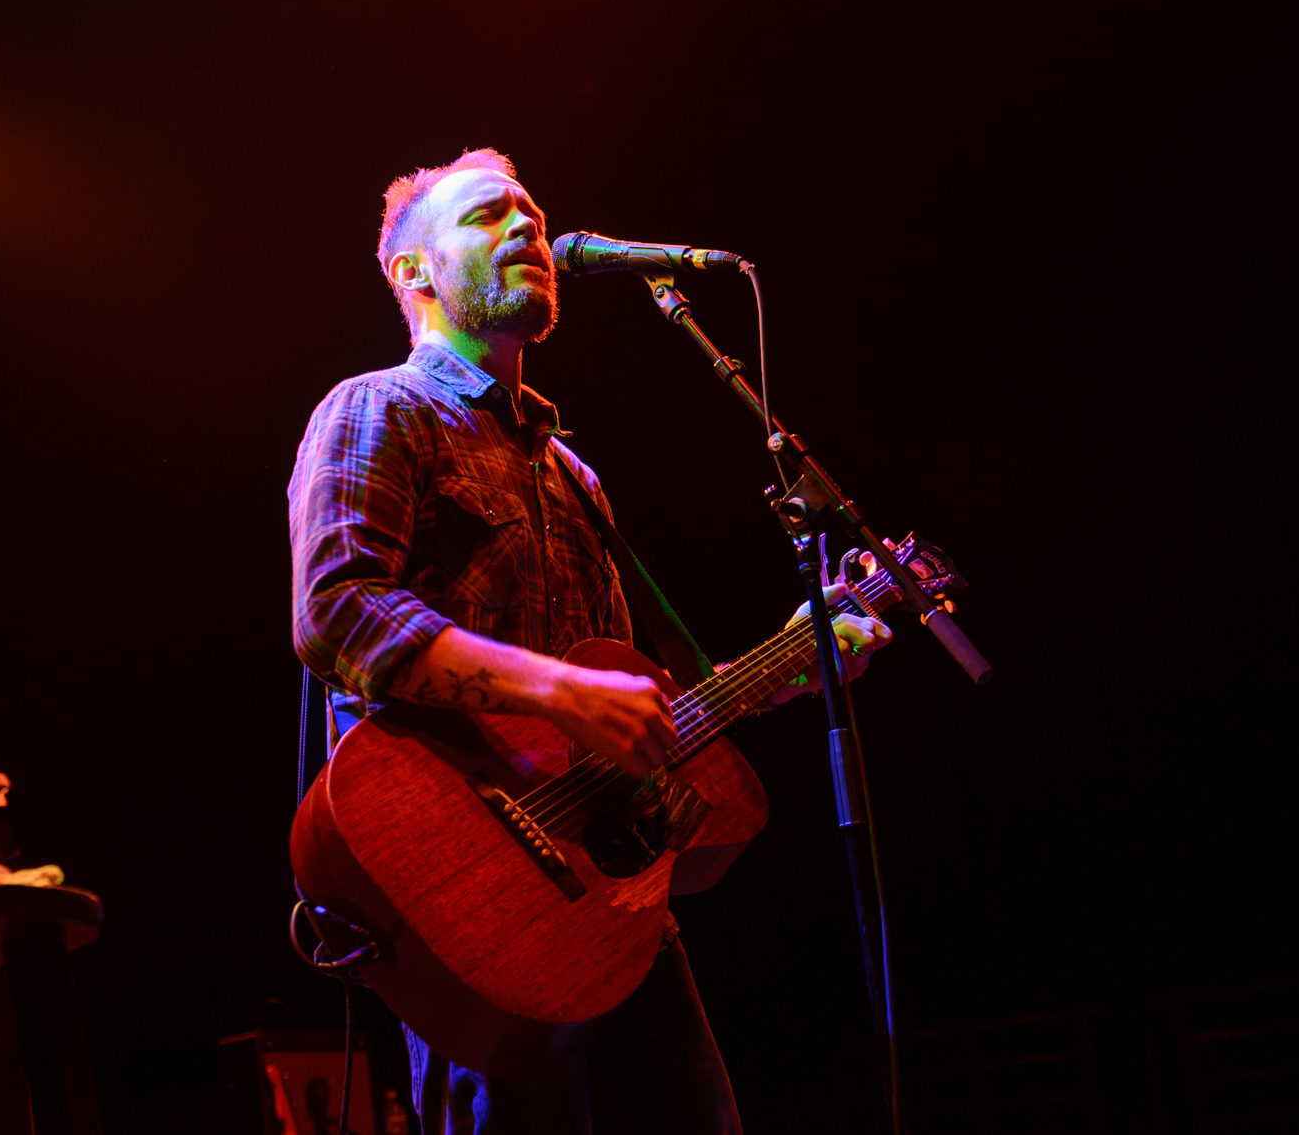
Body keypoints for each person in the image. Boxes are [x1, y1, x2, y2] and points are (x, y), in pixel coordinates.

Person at [287, 148, 892, 1135]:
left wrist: (791, 665)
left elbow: (634, 697)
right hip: (466, 890)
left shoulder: (575, 474)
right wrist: (562, 693)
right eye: (488, 215)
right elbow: (339, 613)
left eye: (531, 210)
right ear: (415, 272)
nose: (527, 225)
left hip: (609, 904)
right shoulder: (378, 408)